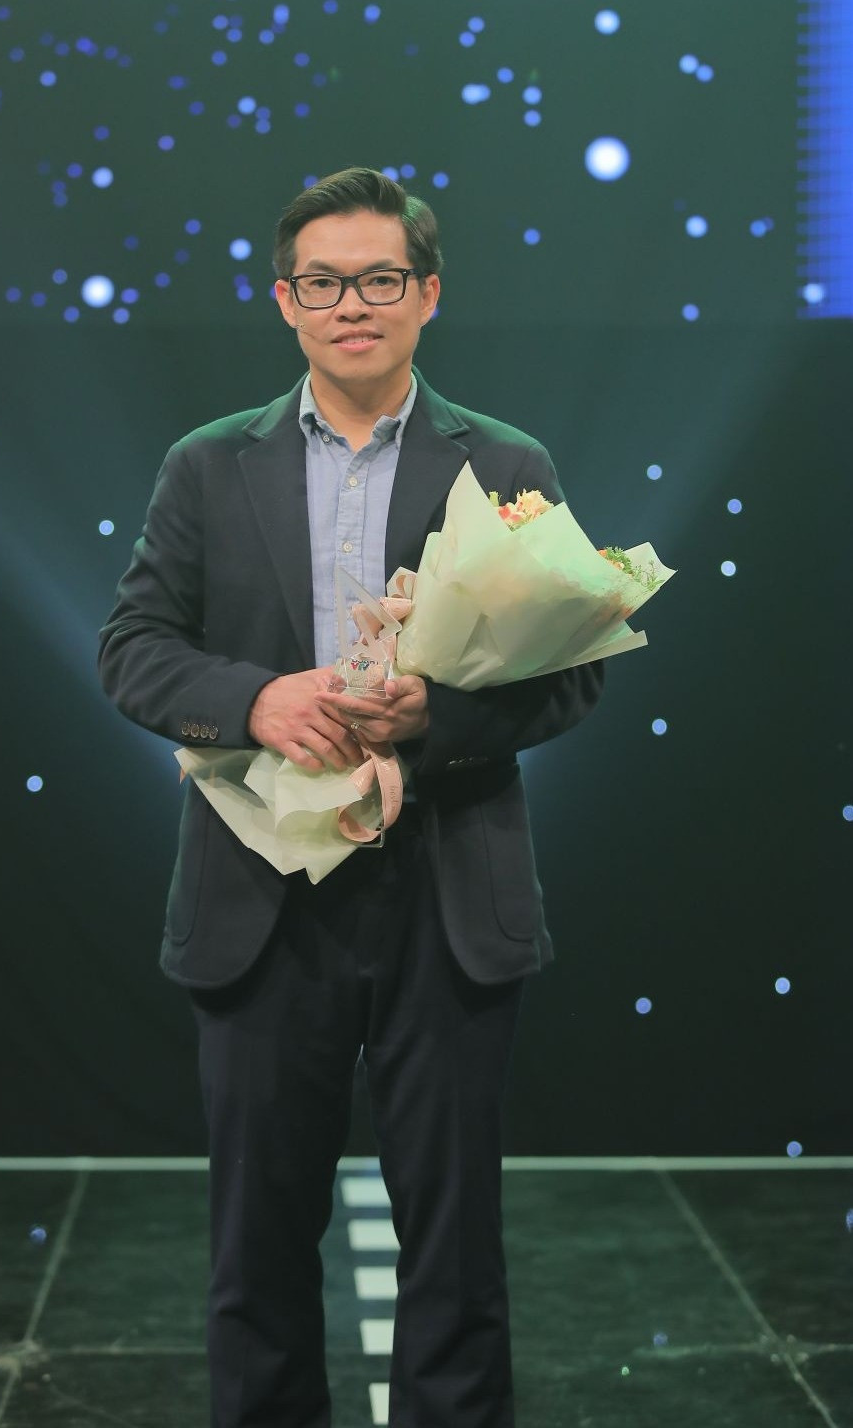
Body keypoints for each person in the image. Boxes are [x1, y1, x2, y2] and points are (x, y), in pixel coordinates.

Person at [99, 167, 603, 1428]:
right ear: (284, 301)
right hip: (261, 894)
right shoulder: (208, 465)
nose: (352, 305)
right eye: (322, 283)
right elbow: (133, 651)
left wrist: (438, 721)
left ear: (427, 295)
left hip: (447, 884)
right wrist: (257, 699)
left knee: (454, 1245)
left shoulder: (508, 462)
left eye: (380, 279)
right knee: (258, 1245)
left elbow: (573, 676)